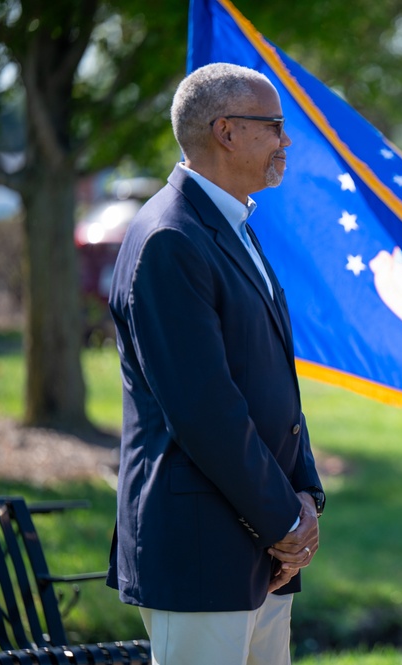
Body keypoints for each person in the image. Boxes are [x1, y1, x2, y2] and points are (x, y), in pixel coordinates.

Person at [106, 62, 325, 665]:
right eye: (275, 125)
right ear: (227, 131)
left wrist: (306, 498)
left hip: (264, 550)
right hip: (200, 550)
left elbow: (276, 383)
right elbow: (204, 409)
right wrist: (285, 520)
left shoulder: (235, 226)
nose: (286, 141)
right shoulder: (169, 239)